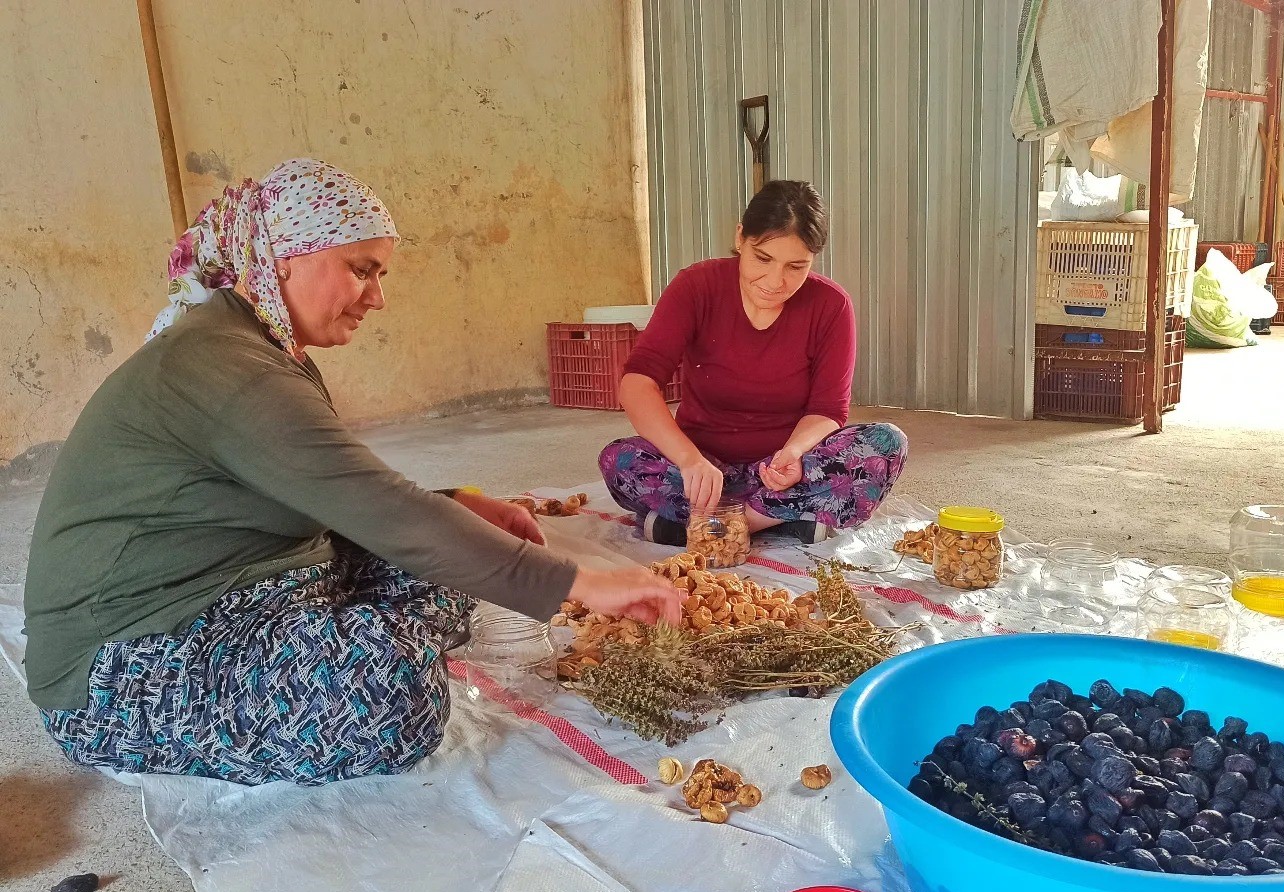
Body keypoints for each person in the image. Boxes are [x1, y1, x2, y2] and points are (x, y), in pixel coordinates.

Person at [22, 158, 680, 786]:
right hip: (125, 663)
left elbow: (331, 493)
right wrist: (582, 584)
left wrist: (455, 504)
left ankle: (348, 640)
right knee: (392, 698)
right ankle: (360, 648)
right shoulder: (227, 367)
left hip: (251, 589)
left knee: (442, 561)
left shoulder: (266, 351)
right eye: (362, 270)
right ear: (285, 259)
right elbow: (378, 504)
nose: (378, 297)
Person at [599, 180, 907, 545]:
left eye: (796, 266)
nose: (776, 282)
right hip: (704, 468)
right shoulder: (696, 287)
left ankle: (717, 526)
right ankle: (786, 519)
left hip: (784, 472)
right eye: (763, 259)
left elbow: (828, 409)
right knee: (619, 459)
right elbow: (639, 381)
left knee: (886, 444)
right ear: (741, 237)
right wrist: (689, 460)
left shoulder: (831, 306)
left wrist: (792, 453)